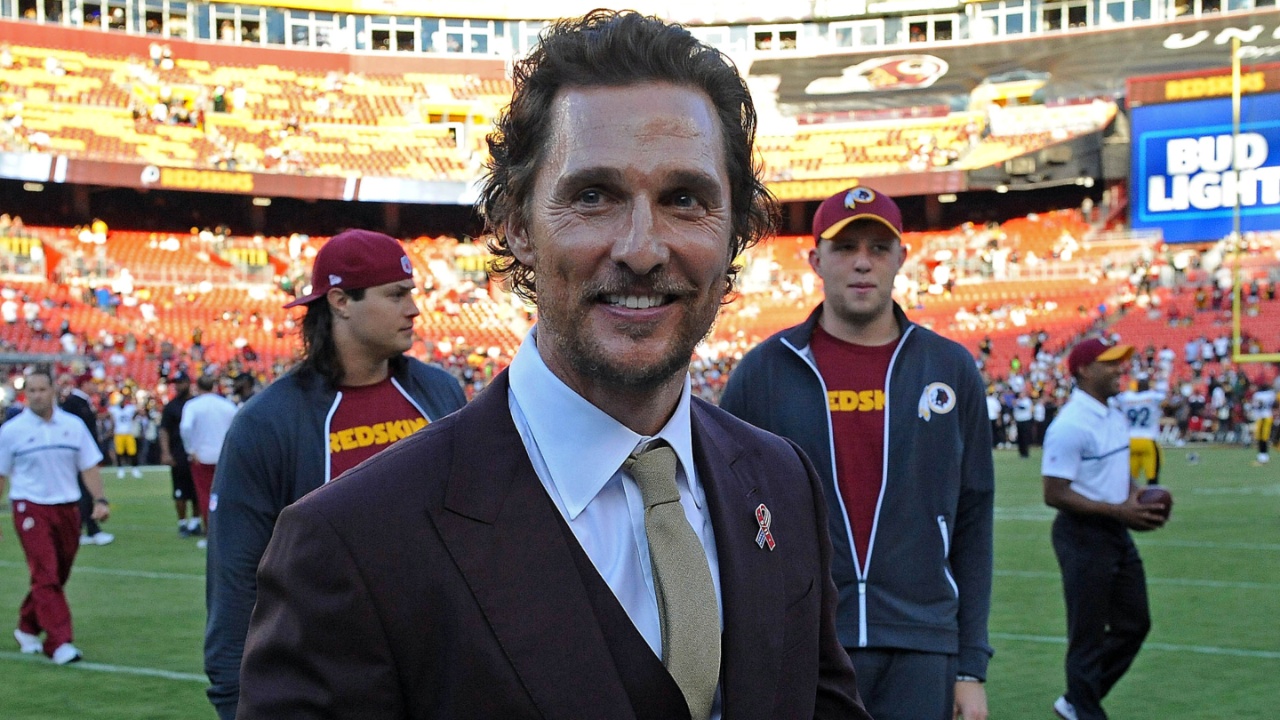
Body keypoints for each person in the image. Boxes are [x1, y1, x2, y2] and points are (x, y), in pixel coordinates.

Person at [237, 11, 870, 720]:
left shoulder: (782, 482)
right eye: (593, 196)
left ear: (735, 233)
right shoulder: (355, 542)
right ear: (516, 226)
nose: (642, 249)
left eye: (684, 200)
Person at [720, 185, 994, 720]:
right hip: (805, 643)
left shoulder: (950, 368)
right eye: (845, 248)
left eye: (878, 247)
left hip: (922, 642)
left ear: (901, 258)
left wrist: (970, 667)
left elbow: (974, 518)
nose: (862, 262)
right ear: (815, 260)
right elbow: (726, 519)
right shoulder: (764, 371)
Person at [204, 228, 468, 720]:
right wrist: (232, 696)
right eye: (396, 295)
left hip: (442, 669)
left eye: (411, 294)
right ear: (341, 301)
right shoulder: (267, 423)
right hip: (331, 679)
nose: (414, 309)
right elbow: (236, 574)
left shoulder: (440, 393)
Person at [1041, 337, 1169, 720]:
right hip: (1082, 534)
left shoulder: (1113, 413)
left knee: (1135, 624)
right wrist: (1118, 510)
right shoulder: (1070, 425)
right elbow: (1054, 493)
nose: (1119, 370)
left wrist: (1134, 495)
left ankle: (1076, 701)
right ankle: (1085, 710)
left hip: (1114, 529)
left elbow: (1118, 470)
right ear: (1084, 370)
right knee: (1088, 635)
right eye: (1110, 363)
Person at [1, 370, 109, 665]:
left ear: (53, 391)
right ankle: (59, 641)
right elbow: (1, 474)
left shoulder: (73, 426)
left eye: (42, 389)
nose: (37, 395)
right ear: (25, 394)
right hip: (30, 506)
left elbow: (88, 465)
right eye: (31, 391)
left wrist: (100, 499)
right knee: (46, 572)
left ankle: (27, 626)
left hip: (67, 506)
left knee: (57, 573)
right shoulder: (11, 431)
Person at [179, 374, 238, 550]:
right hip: (224, 456)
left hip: (202, 457)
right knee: (226, 494)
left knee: (206, 496)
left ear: (197, 387)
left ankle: (210, 534)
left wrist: (190, 449)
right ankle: (229, 533)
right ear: (214, 386)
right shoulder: (227, 405)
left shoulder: (192, 405)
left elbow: (185, 427)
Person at [59, 372, 113, 546]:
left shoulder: (81, 402)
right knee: (85, 491)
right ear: (84, 384)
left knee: (85, 491)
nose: (95, 386)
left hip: (84, 453)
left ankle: (85, 528)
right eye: (92, 383)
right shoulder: (73, 402)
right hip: (79, 455)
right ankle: (89, 529)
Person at [158, 371, 200, 537]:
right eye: (175, 383)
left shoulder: (196, 404)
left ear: (188, 383)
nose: (177, 386)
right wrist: (166, 452)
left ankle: (195, 521)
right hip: (178, 454)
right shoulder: (171, 406)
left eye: (180, 382)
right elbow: (164, 430)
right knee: (179, 491)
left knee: (197, 489)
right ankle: (182, 522)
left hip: (196, 454)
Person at [1112, 374, 1165, 484]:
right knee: (1152, 478)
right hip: (1148, 439)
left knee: (1129, 480)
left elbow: (1113, 402)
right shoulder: (1153, 396)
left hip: (1130, 440)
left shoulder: (1126, 397)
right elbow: (1167, 401)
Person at [107, 389, 142, 479]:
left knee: (132, 452)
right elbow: (110, 418)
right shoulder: (114, 409)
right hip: (119, 433)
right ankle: (120, 470)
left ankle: (135, 469)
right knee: (119, 452)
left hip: (128, 433)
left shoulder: (129, 408)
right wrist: (111, 429)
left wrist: (133, 417)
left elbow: (139, 411)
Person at [1247, 379, 1277, 465]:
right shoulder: (1271, 394)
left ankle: (1263, 457)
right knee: (1263, 438)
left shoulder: (1257, 395)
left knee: (1261, 438)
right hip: (1267, 416)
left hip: (1262, 417)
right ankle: (1263, 456)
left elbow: (1255, 405)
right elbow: (1274, 404)